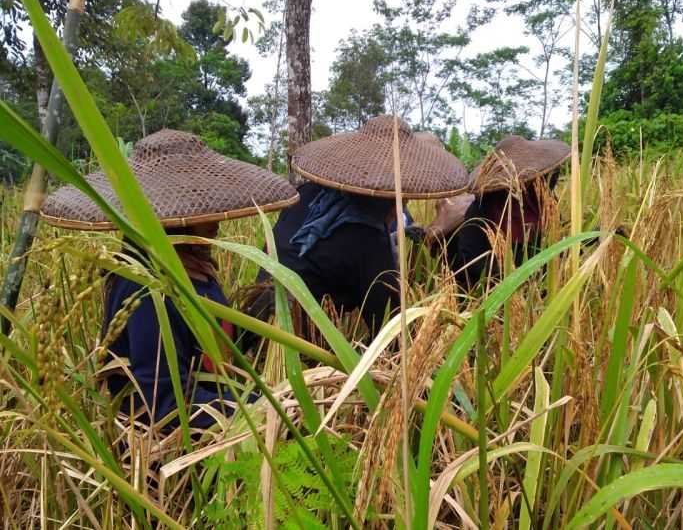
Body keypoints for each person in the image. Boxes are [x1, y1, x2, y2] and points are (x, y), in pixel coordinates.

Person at [41, 129, 299, 429]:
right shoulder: (146, 289)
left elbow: (204, 353)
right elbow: (161, 402)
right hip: (174, 449)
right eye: (200, 208)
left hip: (218, 413)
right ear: (173, 221)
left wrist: (254, 320)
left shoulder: (195, 267)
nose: (214, 218)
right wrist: (264, 409)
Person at [255, 115, 469, 336]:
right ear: (388, 200)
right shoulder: (366, 238)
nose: (404, 203)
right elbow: (391, 329)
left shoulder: (308, 194)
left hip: (254, 318)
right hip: (292, 339)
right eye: (403, 199)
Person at [426, 135, 570, 288]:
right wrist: (517, 278)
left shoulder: (544, 203)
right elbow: (474, 261)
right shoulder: (482, 209)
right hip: (490, 288)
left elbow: (553, 240)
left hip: (537, 283)